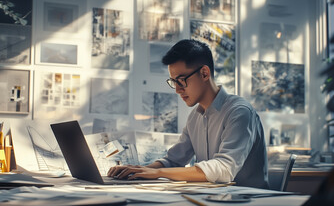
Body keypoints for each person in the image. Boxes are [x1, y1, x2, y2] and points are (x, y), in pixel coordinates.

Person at [108, 39, 269, 188]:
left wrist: (157, 173)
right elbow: (173, 160)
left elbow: (224, 169)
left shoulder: (239, 112)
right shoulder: (195, 117)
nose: (177, 89)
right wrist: (140, 170)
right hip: (216, 202)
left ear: (204, 73)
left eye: (181, 80)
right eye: (174, 82)